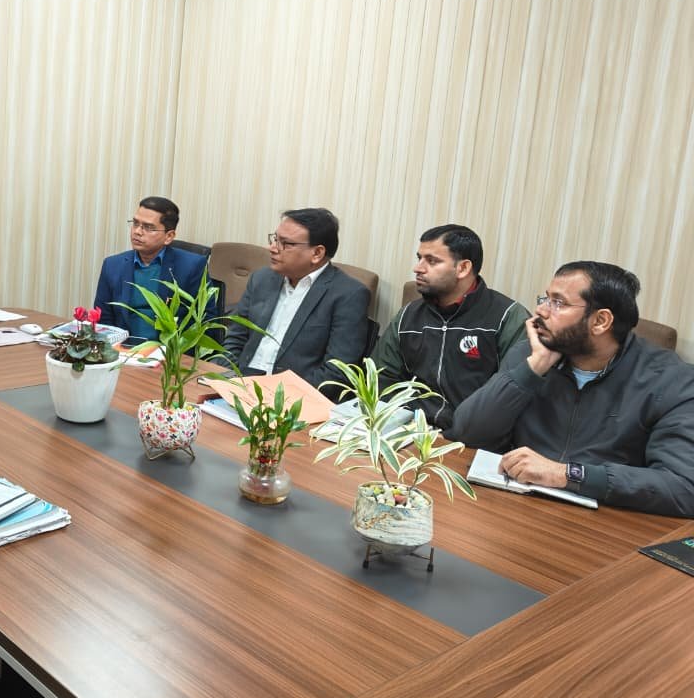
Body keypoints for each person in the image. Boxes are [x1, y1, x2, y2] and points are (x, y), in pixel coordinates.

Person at [452, 261, 694, 517]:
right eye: (545, 298)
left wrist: (568, 474)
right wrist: (533, 368)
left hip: (605, 522)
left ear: (600, 321)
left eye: (558, 303)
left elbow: (684, 487)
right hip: (517, 508)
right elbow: (467, 433)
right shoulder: (531, 355)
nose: (540, 310)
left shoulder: (671, 380)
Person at [371, 224, 529, 432]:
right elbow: (380, 379)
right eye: (419, 258)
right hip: (410, 431)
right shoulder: (409, 315)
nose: (418, 268)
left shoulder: (507, 317)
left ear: (463, 268)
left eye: (432, 261)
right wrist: (405, 424)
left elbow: (511, 395)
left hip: (474, 438)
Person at [218, 208, 368, 390]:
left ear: (317, 253)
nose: (272, 248)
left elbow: (336, 373)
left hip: (291, 396)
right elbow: (234, 339)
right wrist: (229, 380)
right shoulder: (262, 279)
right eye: (275, 239)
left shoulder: (348, 295)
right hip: (238, 383)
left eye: (286, 244)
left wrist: (278, 396)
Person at [93, 197, 207, 338]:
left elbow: (203, 322)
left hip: (168, 349)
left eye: (148, 227)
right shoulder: (112, 265)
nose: (137, 231)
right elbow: (103, 319)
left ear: (169, 236)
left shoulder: (192, 266)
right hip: (122, 347)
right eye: (135, 223)